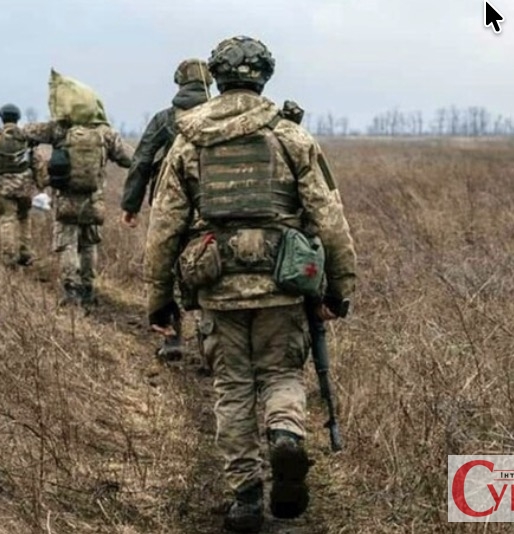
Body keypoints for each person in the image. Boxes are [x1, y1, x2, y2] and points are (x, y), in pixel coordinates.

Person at [143, 36, 356, 532]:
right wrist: (337, 289)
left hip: (216, 287)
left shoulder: (189, 140)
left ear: (217, 78)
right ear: (265, 77)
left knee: (232, 388)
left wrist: (159, 301)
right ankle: (285, 434)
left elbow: (163, 229)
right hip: (284, 283)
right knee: (282, 376)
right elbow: (330, 217)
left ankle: (244, 497)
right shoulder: (290, 137)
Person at [120, 58, 213, 360]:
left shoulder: (165, 119)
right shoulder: (221, 116)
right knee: (207, 265)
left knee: (167, 268)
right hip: (212, 207)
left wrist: (130, 205)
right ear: (210, 83)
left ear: (179, 83)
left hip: (169, 205)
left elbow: (142, 161)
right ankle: (209, 341)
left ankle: (172, 336)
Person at [23, 116, 133, 308]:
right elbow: (129, 158)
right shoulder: (104, 132)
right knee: (89, 245)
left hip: (66, 199)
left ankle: (71, 291)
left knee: (68, 245)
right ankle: (88, 289)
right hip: (93, 200)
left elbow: (27, 131)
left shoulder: (59, 129)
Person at [0, 103, 44, 268]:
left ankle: (9, 257)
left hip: (4, 186)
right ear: (18, 118)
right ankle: (25, 253)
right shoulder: (26, 136)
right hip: (25, 186)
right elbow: (36, 161)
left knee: (7, 220)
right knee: (24, 218)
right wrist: (40, 182)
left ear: (2, 117)